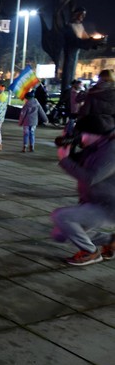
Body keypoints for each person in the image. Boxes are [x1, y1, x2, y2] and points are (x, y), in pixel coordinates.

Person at [50, 114, 115, 266]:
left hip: (108, 206)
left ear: (94, 134)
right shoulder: (96, 147)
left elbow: (91, 178)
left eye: (82, 133)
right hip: (94, 201)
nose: (81, 137)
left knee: (62, 217)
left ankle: (90, 253)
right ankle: (110, 241)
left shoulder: (111, 151)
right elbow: (78, 161)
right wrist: (69, 149)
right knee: (60, 235)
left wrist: (64, 160)